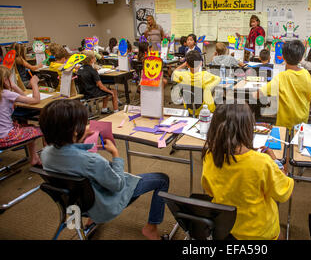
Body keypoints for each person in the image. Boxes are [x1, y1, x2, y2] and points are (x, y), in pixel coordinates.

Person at [39, 99, 170, 240]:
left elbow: (71, 160)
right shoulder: (91, 161)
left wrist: (79, 137)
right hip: (103, 204)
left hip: (76, 204)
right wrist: (116, 154)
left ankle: (92, 219)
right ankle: (151, 228)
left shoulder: (45, 154)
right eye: (83, 124)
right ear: (75, 131)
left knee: (94, 177)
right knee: (162, 179)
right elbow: (118, 185)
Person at [201, 103, 293, 240]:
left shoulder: (210, 156)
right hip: (259, 231)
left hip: (226, 226)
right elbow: (284, 193)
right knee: (279, 235)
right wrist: (276, 162)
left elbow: (209, 190)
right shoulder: (263, 162)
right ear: (248, 129)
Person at [253, 40, 311, 129]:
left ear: (283, 57)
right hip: (302, 122)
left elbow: (258, 94)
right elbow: (309, 96)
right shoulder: (306, 74)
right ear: (301, 58)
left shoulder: (281, 77)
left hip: (285, 123)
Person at [0, 65, 42, 166]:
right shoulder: (6, 94)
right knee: (40, 129)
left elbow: (23, 97)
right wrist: (34, 84)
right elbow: (35, 100)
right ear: (5, 80)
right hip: (5, 137)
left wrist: (13, 86)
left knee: (27, 126)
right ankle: (42, 158)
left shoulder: (4, 94)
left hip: (2, 135)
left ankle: (34, 158)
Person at [172, 50, 220, 116]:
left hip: (189, 109)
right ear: (200, 63)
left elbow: (174, 72)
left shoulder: (183, 75)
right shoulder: (205, 75)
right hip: (206, 110)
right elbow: (218, 79)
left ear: (187, 65)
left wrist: (184, 64)